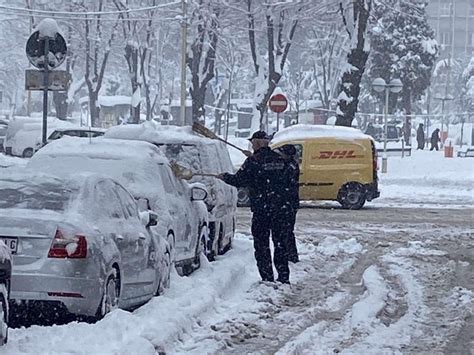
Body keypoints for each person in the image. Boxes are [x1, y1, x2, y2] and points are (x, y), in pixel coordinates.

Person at [218, 131, 292, 284]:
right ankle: (283, 276)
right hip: (280, 209)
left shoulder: (253, 162)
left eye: (253, 142)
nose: (252, 145)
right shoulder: (280, 160)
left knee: (262, 244)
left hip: (261, 210)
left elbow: (239, 180)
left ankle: (267, 277)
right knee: (280, 243)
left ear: (258, 143)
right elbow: (290, 181)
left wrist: (225, 177)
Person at [275, 144, 300, 263]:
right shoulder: (291, 164)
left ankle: (291, 255)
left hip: (288, 203)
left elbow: (280, 177)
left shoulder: (289, 167)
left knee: (287, 230)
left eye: (281, 153)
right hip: (290, 203)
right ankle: (291, 254)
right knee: (287, 230)